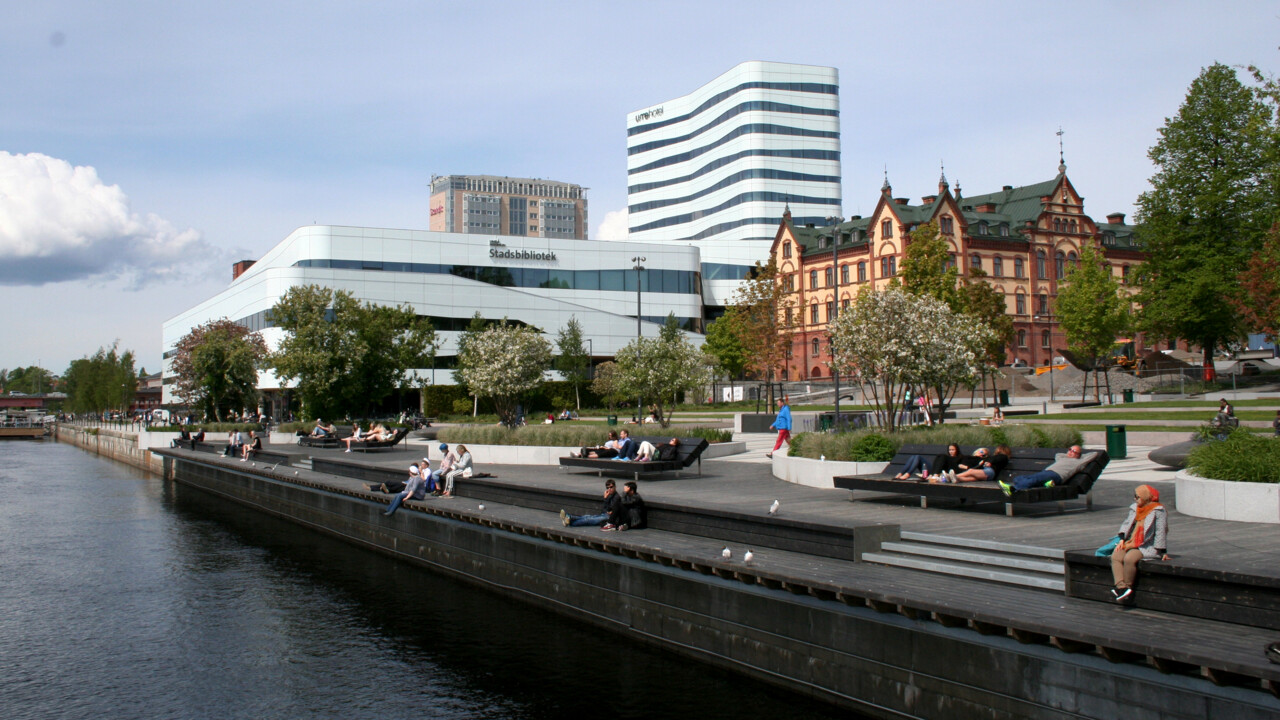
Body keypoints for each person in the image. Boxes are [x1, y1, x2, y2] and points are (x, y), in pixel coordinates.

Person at [1109, 484, 1169, 603]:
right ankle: (1121, 587)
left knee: (1130, 558)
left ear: (1146, 497)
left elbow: (1161, 531)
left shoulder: (1158, 511)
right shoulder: (1135, 508)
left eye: (1138, 497)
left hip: (1146, 545)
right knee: (1116, 556)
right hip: (1130, 541)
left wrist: (1162, 551)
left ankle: (1128, 586)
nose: (1135, 499)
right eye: (1135, 496)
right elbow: (1127, 524)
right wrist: (1121, 539)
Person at [999, 445, 1098, 495]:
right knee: (1019, 478)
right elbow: (1058, 454)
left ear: (1078, 455)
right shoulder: (1062, 458)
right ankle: (1047, 484)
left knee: (1033, 480)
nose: (1070, 452)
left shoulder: (1079, 462)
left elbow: (1094, 454)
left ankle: (1013, 489)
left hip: (1057, 475)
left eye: (1074, 451)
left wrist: (1080, 456)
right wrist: (1070, 454)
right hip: (1047, 473)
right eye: (1070, 449)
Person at [893, 443, 965, 481]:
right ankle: (901, 473)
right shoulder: (946, 457)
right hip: (933, 471)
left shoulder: (958, 458)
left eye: (953, 450)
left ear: (957, 450)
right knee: (916, 457)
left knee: (917, 457)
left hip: (938, 474)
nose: (951, 452)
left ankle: (908, 474)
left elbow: (957, 468)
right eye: (950, 450)